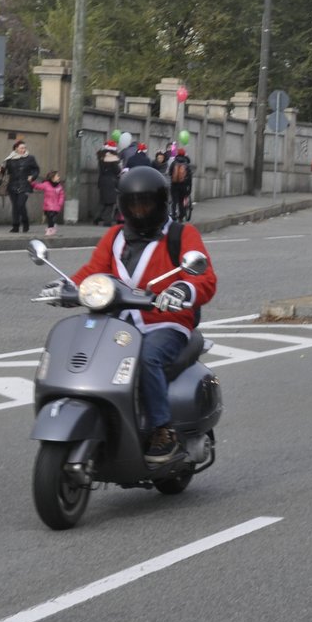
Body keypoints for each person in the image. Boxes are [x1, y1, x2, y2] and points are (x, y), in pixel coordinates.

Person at [51, 166, 218, 464]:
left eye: (146, 204)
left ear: (160, 203)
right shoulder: (115, 236)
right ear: (123, 205)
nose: (139, 211)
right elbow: (94, 271)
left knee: (146, 358)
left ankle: (161, 430)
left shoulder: (181, 234)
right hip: (118, 322)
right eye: (133, 204)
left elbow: (204, 278)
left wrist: (182, 291)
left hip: (166, 323)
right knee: (82, 348)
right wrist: (68, 286)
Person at [2, 139, 40, 234]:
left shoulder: (30, 158)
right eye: (21, 148)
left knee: (20, 204)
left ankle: (25, 222)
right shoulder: (10, 159)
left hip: (25, 185)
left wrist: (32, 176)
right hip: (12, 186)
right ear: (16, 148)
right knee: (15, 206)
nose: (24, 149)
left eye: (24, 148)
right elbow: (6, 171)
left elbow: (36, 169)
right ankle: (15, 226)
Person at [95, 139, 123, 226]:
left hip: (102, 181)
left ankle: (97, 218)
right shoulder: (112, 158)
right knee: (110, 203)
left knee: (103, 201)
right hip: (111, 181)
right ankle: (107, 221)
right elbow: (117, 170)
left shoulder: (101, 156)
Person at [33, 170, 66, 238]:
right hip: (48, 206)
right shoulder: (46, 184)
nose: (59, 177)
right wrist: (32, 183)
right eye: (57, 176)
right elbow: (38, 186)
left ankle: (50, 229)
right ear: (52, 178)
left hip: (56, 206)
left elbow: (61, 196)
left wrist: (60, 203)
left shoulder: (59, 187)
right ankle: (52, 227)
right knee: (49, 217)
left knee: (52, 217)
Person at [167, 144, 194, 221]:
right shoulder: (187, 165)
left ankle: (173, 216)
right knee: (181, 201)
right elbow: (189, 178)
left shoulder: (174, 163)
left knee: (174, 201)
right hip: (183, 186)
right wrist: (189, 189)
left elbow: (170, 173)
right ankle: (181, 217)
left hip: (174, 185)